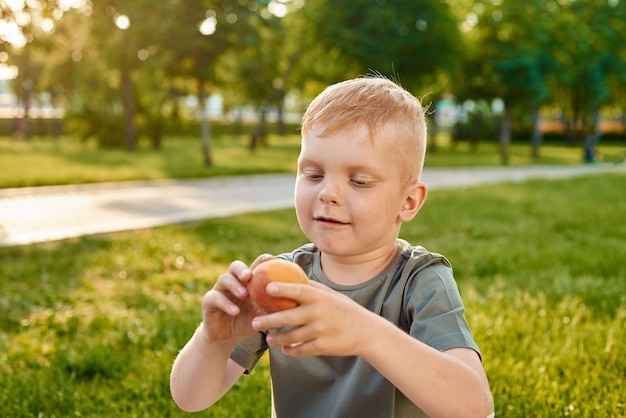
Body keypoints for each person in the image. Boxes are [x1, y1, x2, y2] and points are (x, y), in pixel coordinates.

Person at [170, 76, 494, 417]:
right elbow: (190, 399)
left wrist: (365, 331)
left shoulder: (421, 282)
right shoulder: (283, 282)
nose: (328, 193)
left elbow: (473, 406)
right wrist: (213, 337)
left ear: (409, 201)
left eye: (359, 181)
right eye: (312, 174)